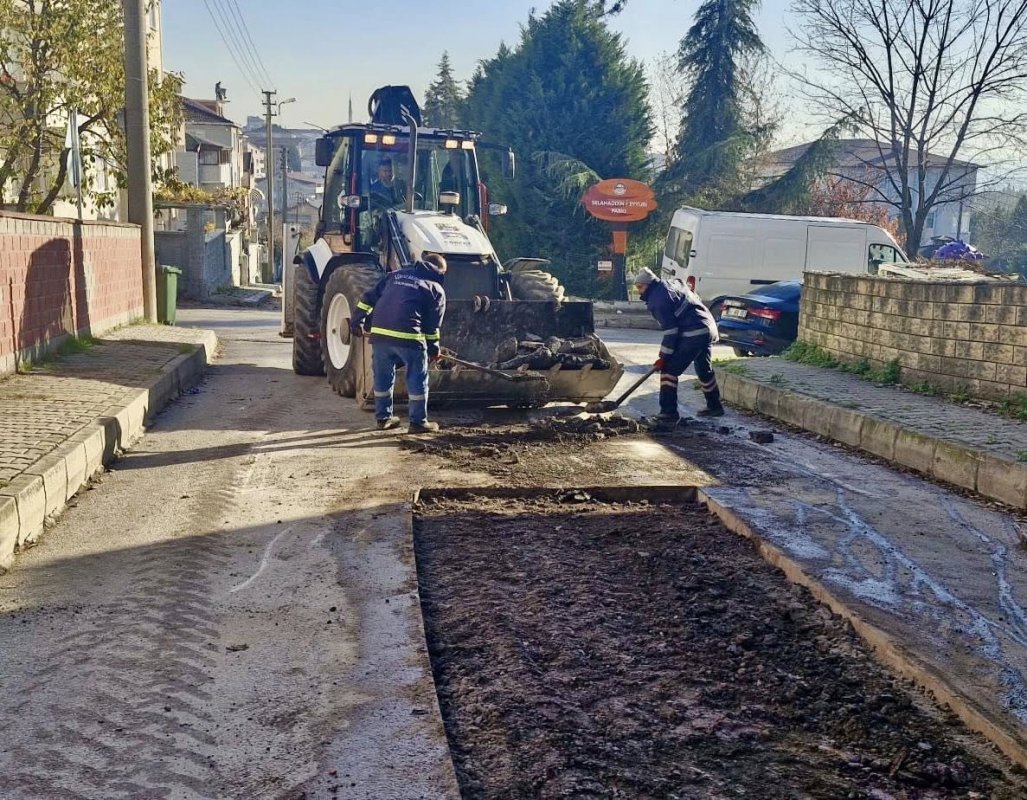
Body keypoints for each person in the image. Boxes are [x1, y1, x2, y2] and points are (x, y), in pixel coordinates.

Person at [351, 253, 447, 433]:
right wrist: (434, 349)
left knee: (383, 377)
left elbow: (367, 298)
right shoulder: (435, 288)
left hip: (380, 337)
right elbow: (432, 326)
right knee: (417, 378)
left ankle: (383, 419)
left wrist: (357, 321)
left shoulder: (394, 275)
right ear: (441, 271)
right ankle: (418, 422)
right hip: (410, 338)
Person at [633, 266, 724, 425]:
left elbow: (671, 332)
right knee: (704, 369)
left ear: (649, 284)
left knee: (669, 371)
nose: (639, 292)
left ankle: (668, 413)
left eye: (640, 287)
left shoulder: (657, 301)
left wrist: (663, 357)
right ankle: (715, 406)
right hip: (708, 328)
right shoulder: (672, 284)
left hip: (694, 333)